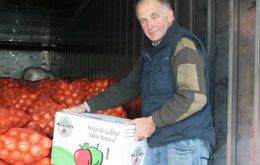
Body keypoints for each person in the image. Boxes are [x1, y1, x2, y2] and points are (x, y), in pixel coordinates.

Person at [64, 0, 215, 164]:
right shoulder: (150, 55)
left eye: (154, 16)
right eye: (143, 20)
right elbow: (126, 88)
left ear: (170, 16)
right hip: (157, 141)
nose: (150, 25)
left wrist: (152, 121)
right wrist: (85, 106)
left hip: (183, 144)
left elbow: (192, 97)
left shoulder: (183, 46)